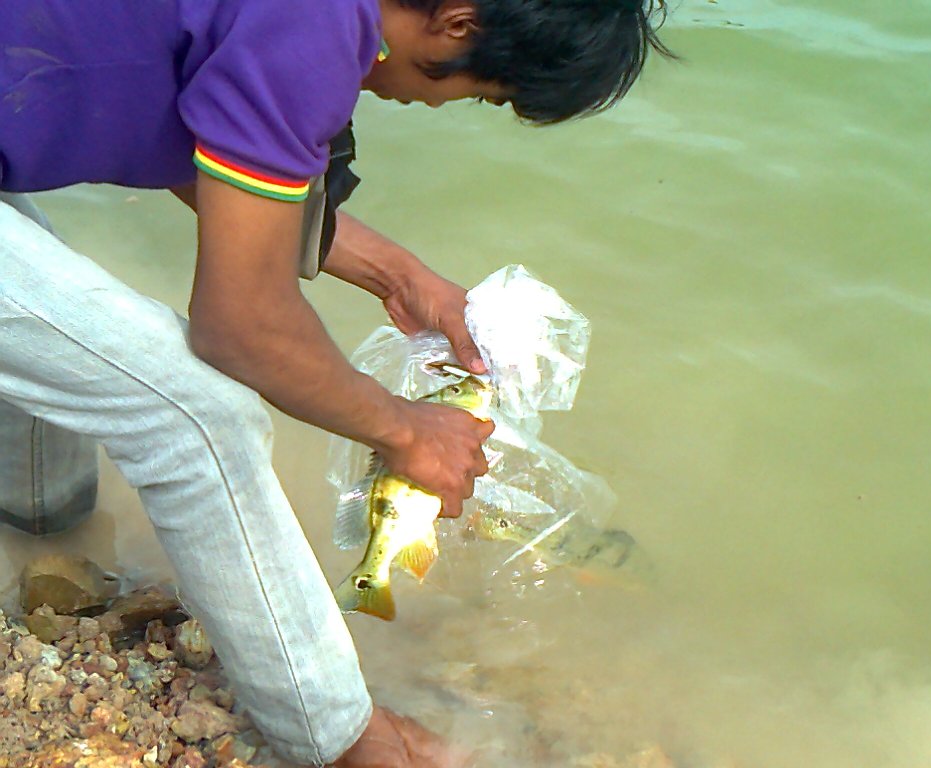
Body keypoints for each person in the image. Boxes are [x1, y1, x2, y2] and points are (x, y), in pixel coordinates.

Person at [0, 0, 671, 765]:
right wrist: (405, 428)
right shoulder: (314, 27)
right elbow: (238, 325)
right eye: (482, 93)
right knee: (195, 415)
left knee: (67, 331)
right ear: (457, 24)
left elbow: (215, 161)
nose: (444, 103)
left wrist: (401, 275)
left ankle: (41, 535)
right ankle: (342, 735)